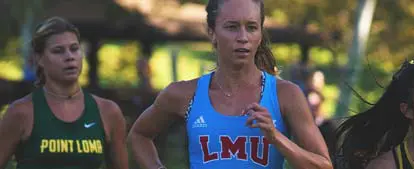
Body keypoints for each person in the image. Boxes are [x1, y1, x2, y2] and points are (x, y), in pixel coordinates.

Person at [127, 0, 332, 168]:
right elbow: (138, 135)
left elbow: (324, 166)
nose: (243, 37)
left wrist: (276, 137)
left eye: (251, 27)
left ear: (260, 35)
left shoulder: (284, 95)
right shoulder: (184, 94)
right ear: (212, 32)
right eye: (232, 27)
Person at [0, 17, 128, 169]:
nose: (69, 57)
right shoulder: (21, 112)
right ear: (39, 58)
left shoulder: (108, 112)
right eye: (58, 51)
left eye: (74, 49)